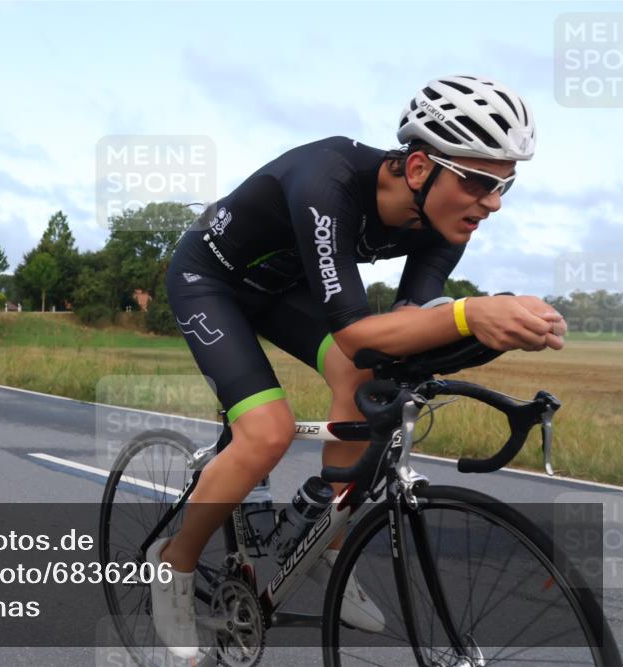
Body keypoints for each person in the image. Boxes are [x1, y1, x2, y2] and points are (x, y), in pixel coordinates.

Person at [149, 75, 567, 658]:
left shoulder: (449, 222)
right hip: (210, 282)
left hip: (279, 290)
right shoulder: (329, 181)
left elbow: (402, 328)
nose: (492, 203)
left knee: (364, 380)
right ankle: (173, 564)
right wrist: (473, 314)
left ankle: (318, 546)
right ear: (419, 168)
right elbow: (352, 329)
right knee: (265, 433)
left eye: (505, 185)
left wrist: (492, 331)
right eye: (478, 181)